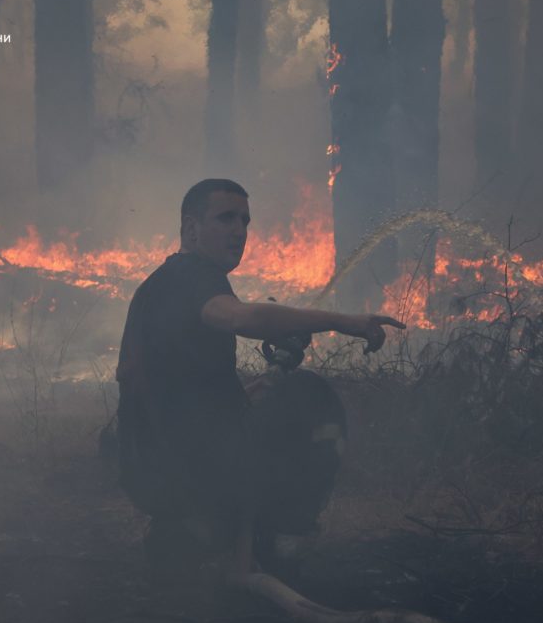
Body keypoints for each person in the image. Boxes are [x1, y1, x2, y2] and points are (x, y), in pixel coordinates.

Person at [116, 178, 404, 578]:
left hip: (147, 467)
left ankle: (196, 531)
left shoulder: (160, 284)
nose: (239, 231)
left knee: (275, 397)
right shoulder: (194, 275)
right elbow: (241, 317)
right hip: (184, 466)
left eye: (245, 221)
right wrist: (344, 321)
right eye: (226, 218)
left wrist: (251, 391)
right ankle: (280, 538)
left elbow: (181, 392)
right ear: (191, 228)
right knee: (312, 396)